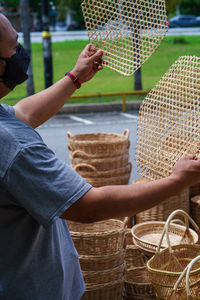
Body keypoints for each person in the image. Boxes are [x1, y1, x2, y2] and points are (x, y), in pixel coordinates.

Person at [0, 13, 200, 300]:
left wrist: (75, 78)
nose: (20, 53)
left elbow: (22, 114)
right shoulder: (13, 145)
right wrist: (177, 181)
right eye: (13, 47)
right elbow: (88, 207)